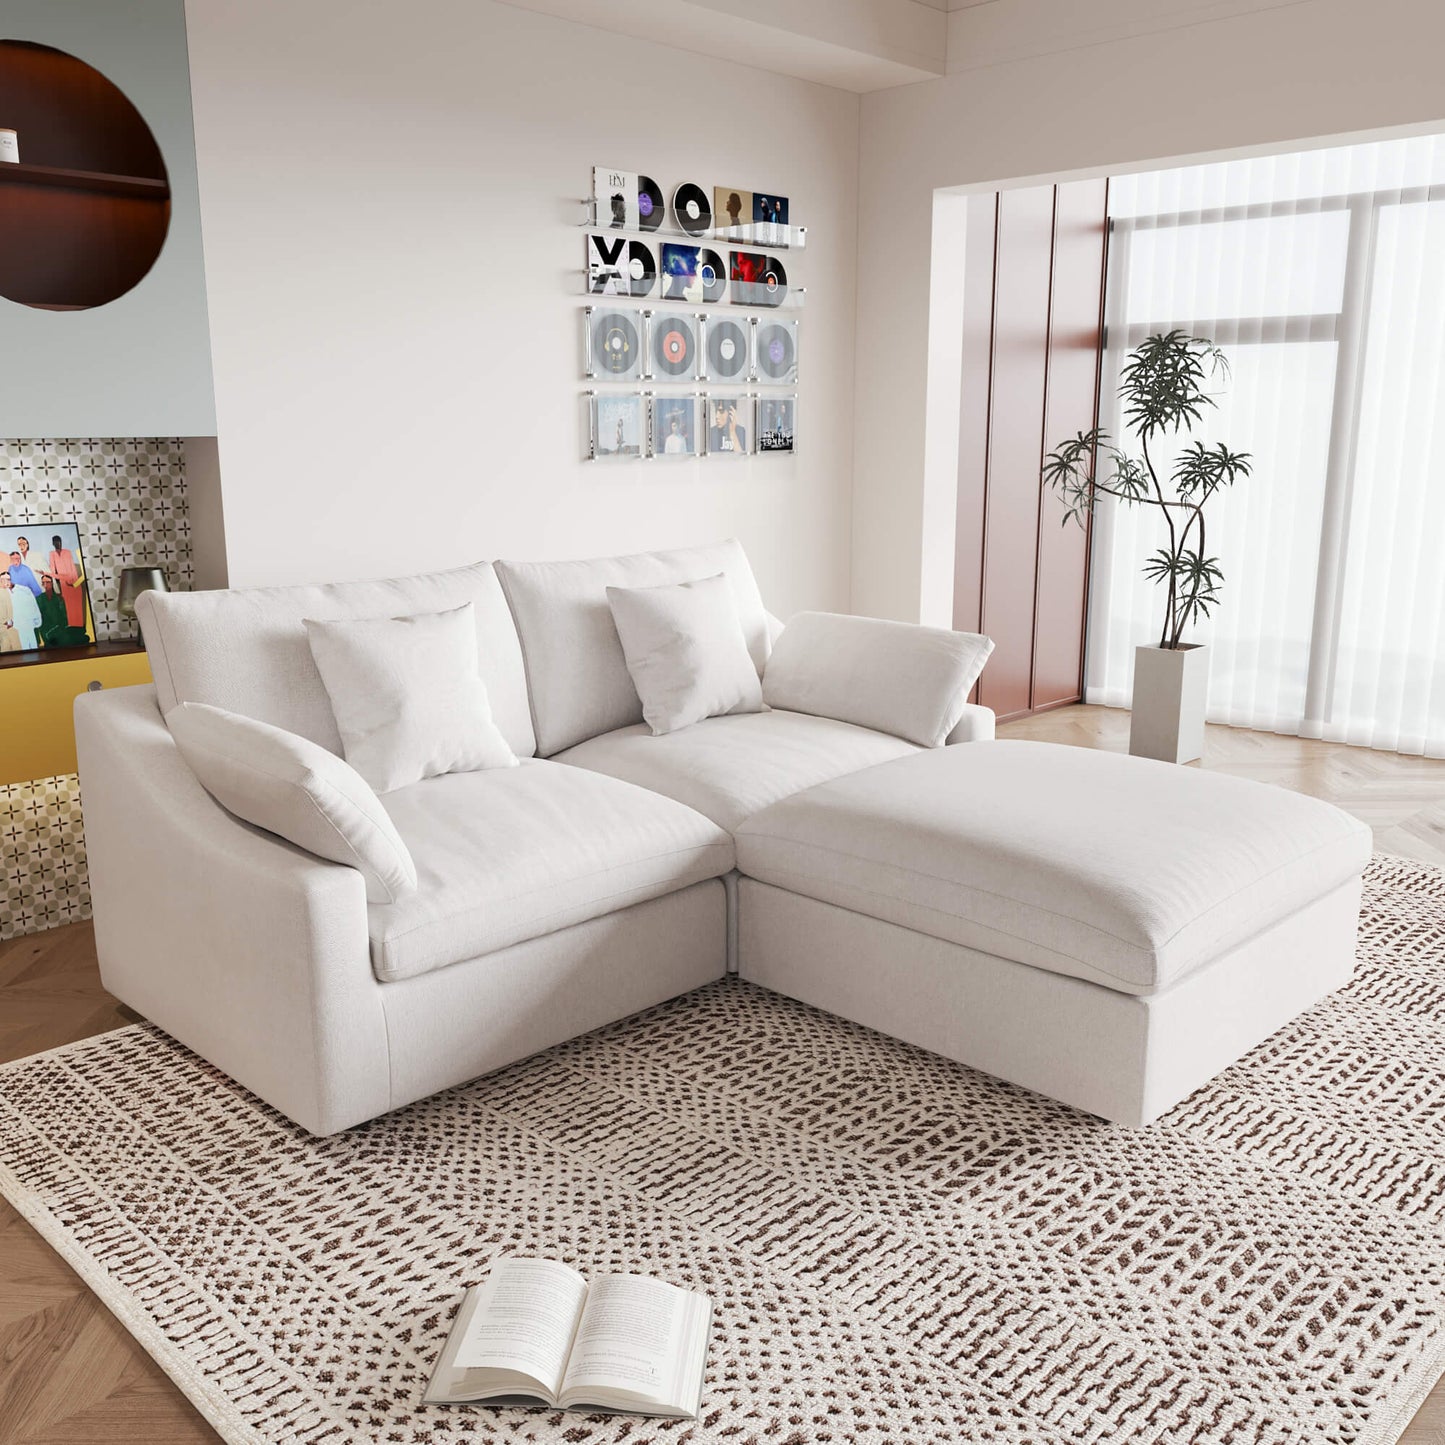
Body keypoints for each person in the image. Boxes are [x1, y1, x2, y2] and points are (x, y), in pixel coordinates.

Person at [47, 534, 86, 630]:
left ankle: (80, 624)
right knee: (68, 603)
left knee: (76, 602)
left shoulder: (67, 552)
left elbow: (72, 567)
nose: (58, 543)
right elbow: (53, 569)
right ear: (53, 543)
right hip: (62, 581)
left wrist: (74, 581)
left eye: (59, 541)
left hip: (73, 579)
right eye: (56, 542)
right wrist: (57, 583)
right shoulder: (52, 554)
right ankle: (72, 624)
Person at [37, 574, 81, 647]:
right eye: (43, 583)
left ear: (52, 583)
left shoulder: (59, 597)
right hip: (48, 632)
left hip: (60, 630)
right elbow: (39, 618)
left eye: (47, 582)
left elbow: (64, 615)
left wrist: (63, 628)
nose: (45, 585)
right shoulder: (39, 599)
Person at [7, 572, 39, 649]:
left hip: (28, 620)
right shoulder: (5, 593)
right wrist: (9, 621)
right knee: (24, 644)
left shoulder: (24, 590)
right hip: (17, 622)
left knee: (32, 643)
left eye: (8, 579)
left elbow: (33, 604)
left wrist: (35, 618)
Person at [0, 575, 20, 653]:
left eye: (9, 580)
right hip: (4, 627)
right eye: (4, 580)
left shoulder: (12, 592)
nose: (7, 582)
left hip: (14, 626)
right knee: (6, 648)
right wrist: (6, 622)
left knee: (17, 649)